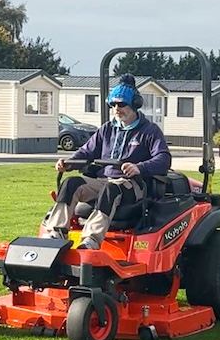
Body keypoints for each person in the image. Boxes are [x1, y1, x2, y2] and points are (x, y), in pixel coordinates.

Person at [42, 74, 171, 250]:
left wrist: (139, 167)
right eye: (113, 104)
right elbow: (86, 151)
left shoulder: (149, 131)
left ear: (135, 104)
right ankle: (56, 233)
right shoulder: (107, 129)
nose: (117, 109)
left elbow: (163, 159)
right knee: (71, 183)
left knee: (110, 189)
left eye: (122, 104)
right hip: (104, 180)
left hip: (132, 184)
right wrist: (69, 163)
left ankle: (91, 241)